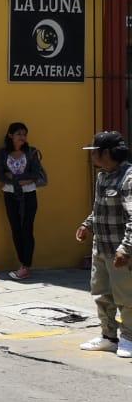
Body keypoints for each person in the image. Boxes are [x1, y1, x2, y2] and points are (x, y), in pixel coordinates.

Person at [77, 131, 132, 358]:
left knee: (126, 297)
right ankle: (109, 336)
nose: (92, 157)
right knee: (102, 294)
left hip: (120, 251)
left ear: (106, 153)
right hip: (101, 248)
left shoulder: (128, 178)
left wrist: (126, 249)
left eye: (94, 153)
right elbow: (98, 208)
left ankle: (128, 337)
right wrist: (87, 225)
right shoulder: (102, 177)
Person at [0, 122, 46, 280]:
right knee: (16, 229)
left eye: (24, 134)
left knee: (27, 229)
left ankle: (26, 266)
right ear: (10, 135)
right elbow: (1, 175)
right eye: (19, 134)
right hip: (10, 194)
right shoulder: (2, 153)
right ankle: (23, 263)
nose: (22, 137)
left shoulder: (31, 153)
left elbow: (36, 173)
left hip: (29, 194)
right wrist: (22, 179)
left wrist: (15, 178)